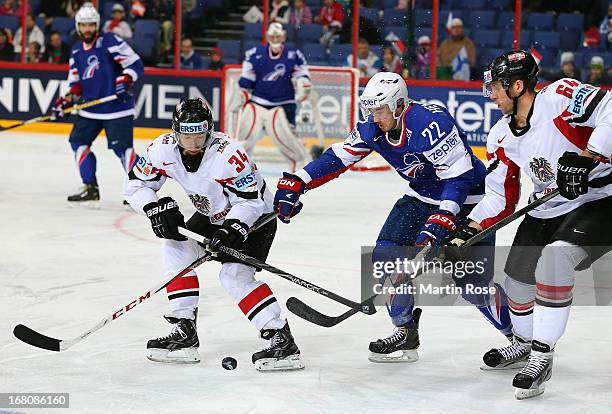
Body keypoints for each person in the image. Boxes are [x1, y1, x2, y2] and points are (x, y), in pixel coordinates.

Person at [273, 71, 513, 363]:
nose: (374, 117)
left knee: (472, 285)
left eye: (380, 110)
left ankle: (519, 337)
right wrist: (299, 181)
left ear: (399, 106)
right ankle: (405, 331)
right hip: (422, 197)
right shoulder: (372, 128)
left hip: (468, 200)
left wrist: (444, 217)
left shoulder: (429, 124)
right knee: (386, 256)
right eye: (370, 110)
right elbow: (338, 157)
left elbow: (459, 179)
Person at [448, 50, 611, 400]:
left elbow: (610, 106)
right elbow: (500, 196)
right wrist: (470, 227)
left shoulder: (561, 96)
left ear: (518, 85)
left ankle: (542, 355)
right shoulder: (500, 136)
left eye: (496, 87)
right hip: (547, 206)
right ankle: (522, 343)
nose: (490, 95)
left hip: (598, 199)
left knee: (555, 260)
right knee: (517, 283)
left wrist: (588, 157)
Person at [123, 98, 305, 371]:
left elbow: (251, 202)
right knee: (175, 247)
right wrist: (153, 208)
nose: (193, 144)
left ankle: (280, 337)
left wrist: (233, 227)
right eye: (186, 135)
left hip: (255, 219)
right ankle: (184, 331)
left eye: (199, 135)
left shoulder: (228, 154)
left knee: (233, 276)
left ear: (209, 131)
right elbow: (135, 186)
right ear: (175, 131)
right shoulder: (161, 150)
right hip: (212, 215)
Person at [48, 2, 144, 204]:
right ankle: (91, 187)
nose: (88, 29)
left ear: (97, 24)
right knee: (78, 143)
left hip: (117, 108)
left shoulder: (109, 41)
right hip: (90, 108)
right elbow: (75, 84)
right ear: (78, 26)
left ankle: (139, 189)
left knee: (124, 150)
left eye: (91, 24)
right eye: (84, 25)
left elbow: (135, 63)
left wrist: (126, 78)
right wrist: (65, 101)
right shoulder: (76, 51)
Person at [231, 22, 312, 172]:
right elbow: (246, 81)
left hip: (284, 104)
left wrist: (303, 83)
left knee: (291, 142)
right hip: (258, 103)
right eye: (272, 35)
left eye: (278, 35)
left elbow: (303, 75)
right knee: (244, 138)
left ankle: (301, 173)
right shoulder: (254, 54)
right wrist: (241, 93)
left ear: (284, 36)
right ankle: (239, 171)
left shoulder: (294, 54)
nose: (275, 38)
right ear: (268, 36)